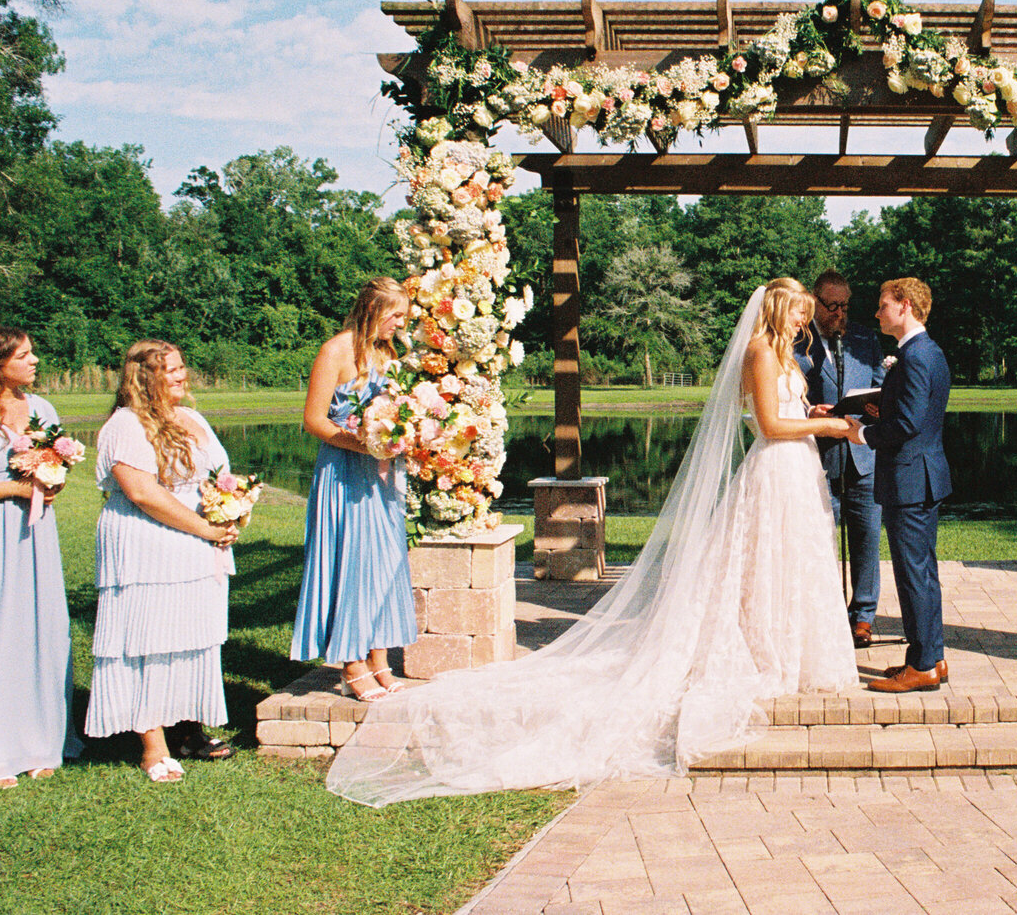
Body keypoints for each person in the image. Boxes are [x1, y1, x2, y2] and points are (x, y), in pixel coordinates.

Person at [326, 278, 859, 805]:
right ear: (779, 308)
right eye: (798, 312)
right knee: (765, 563)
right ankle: (763, 653)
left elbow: (783, 415)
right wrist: (830, 426)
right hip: (776, 468)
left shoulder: (789, 354)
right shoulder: (762, 351)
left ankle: (791, 651)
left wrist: (811, 416)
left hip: (798, 470)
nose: (804, 321)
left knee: (792, 566)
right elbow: (767, 425)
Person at [85, 341, 239, 782]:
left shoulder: (192, 418)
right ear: (143, 377)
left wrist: (229, 513)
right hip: (147, 545)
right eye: (170, 370)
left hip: (196, 542)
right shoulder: (124, 425)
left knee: (192, 636)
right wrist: (204, 527)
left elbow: (219, 476)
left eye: (181, 367)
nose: (181, 375)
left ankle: (188, 729)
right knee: (146, 639)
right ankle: (153, 747)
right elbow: (141, 493)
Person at [291, 277, 416, 701]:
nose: (399, 324)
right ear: (371, 310)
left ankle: (379, 658)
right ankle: (351, 662)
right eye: (393, 315)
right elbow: (314, 420)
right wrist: (362, 442)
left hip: (383, 476)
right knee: (353, 562)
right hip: (345, 470)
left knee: (385, 561)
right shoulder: (336, 350)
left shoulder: (388, 353)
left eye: (403, 316)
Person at [849, 277, 952, 693]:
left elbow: (908, 424)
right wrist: (876, 410)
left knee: (913, 575)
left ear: (904, 306)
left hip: (909, 480)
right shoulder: (926, 352)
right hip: (921, 477)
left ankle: (924, 665)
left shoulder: (914, 357)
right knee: (922, 573)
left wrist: (860, 435)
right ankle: (931, 657)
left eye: (882, 305)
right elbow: (912, 413)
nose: (877, 313)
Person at [0, 327, 83, 789]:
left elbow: (58, 465)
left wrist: (53, 480)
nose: (35, 361)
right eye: (25, 355)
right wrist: (15, 487)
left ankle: (40, 738)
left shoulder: (43, 409)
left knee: (39, 627)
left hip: (34, 534)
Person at [797, 269, 886, 647]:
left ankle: (863, 616)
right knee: (818, 541)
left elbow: (883, 385)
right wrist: (811, 415)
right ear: (815, 303)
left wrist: (870, 410)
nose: (839, 314)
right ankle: (825, 614)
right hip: (818, 458)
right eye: (831, 306)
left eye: (844, 306)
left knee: (866, 539)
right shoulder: (800, 341)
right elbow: (788, 397)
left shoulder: (865, 339)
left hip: (863, 457)